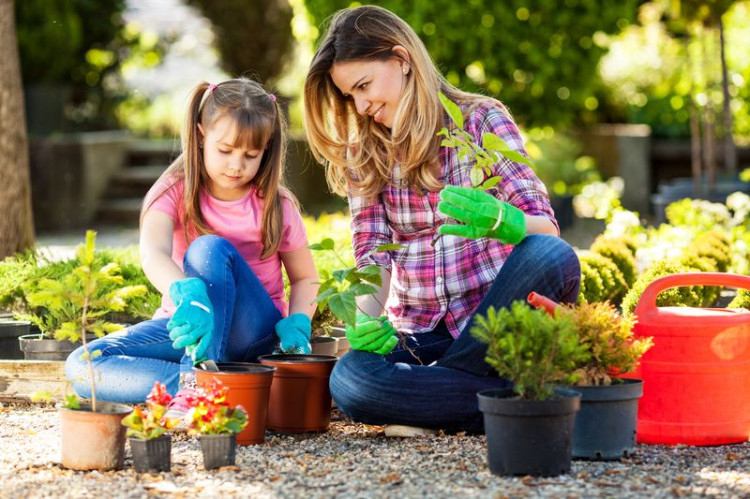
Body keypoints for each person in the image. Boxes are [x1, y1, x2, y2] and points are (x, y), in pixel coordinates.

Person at [303, 5, 581, 433]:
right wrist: (365, 320)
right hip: (421, 331)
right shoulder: (367, 154)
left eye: (364, 86)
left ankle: (432, 401)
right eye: (350, 97)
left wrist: (506, 222)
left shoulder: (481, 120)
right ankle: (510, 396)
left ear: (402, 60)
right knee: (351, 379)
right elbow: (372, 255)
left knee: (550, 255)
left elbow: (546, 230)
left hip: (494, 320)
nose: (361, 106)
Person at [65, 78, 319, 410]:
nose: (236, 165)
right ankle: (206, 387)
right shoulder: (173, 190)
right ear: (201, 135)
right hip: (189, 329)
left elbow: (305, 277)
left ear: (267, 149)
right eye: (225, 150)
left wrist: (299, 323)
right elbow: (152, 251)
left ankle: (199, 384)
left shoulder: (275, 203)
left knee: (207, 249)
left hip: (252, 336)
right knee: (84, 363)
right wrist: (186, 294)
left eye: (251, 154)